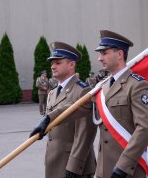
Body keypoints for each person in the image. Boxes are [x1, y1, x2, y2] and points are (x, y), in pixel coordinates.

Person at [30, 42, 97, 178]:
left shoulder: (83, 90)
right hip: (54, 161)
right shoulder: (52, 93)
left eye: (58, 63)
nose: (53, 66)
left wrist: (74, 166)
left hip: (74, 165)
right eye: (52, 63)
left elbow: (85, 133)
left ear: (71, 64)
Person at [93, 30, 148, 178]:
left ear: (119, 55)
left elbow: (145, 128)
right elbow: (80, 106)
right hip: (104, 169)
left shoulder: (136, 85)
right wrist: (49, 118)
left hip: (127, 170)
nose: (99, 58)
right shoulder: (103, 87)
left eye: (104, 53)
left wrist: (123, 166)